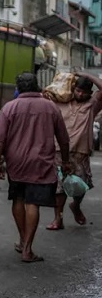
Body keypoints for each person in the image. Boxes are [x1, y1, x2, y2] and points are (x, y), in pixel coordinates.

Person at [0, 73, 71, 263]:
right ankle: (27, 248)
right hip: (41, 162)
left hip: (16, 162)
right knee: (32, 203)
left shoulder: (10, 107)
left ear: (19, 88)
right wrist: (66, 161)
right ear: (37, 86)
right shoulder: (51, 107)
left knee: (18, 198)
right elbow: (64, 139)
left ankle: (22, 239)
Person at [48, 73, 102, 230]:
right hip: (59, 150)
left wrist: (84, 74)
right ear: (73, 89)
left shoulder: (92, 105)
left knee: (80, 186)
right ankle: (58, 219)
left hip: (80, 152)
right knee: (60, 186)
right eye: (78, 90)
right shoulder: (61, 101)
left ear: (90, 94)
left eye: (84, 92)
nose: (80, 94)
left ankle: (76, 206)